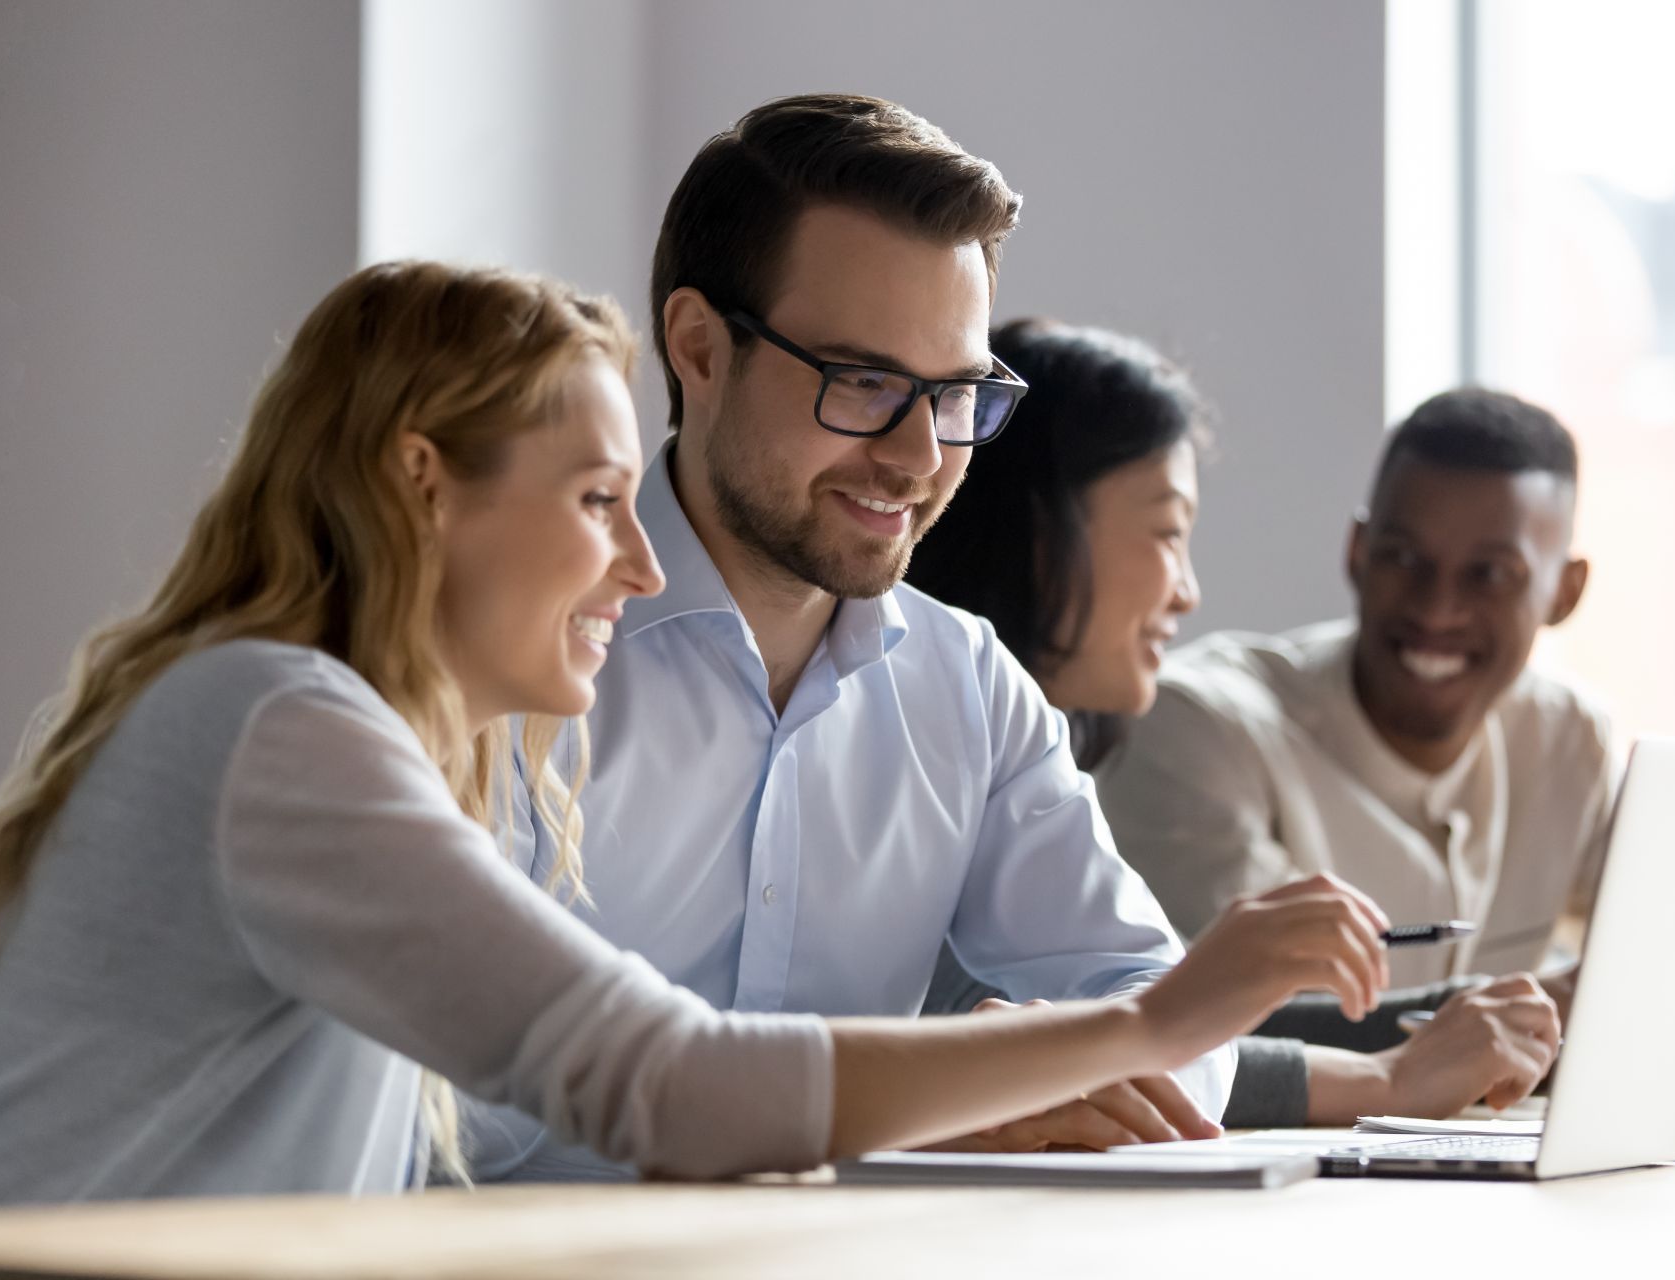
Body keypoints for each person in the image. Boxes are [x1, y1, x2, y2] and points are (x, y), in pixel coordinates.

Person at [0, 262, 1390, 1208]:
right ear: (421, 487)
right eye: (593, 502)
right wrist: (1155, 1021)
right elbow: (668, 1085)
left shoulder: (353, 735)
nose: (642, 566)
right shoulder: (277, 724)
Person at [478, 93, 1347, 1179]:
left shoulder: (968, 684)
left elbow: (1164, 1013)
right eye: (866, 382)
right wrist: (912, 1100)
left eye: (955, 395)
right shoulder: (503, 656)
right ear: (699, 348)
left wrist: (1020, 1072)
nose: (919, 456)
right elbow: (449, 1107)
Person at [908, 320, 1561, 1130]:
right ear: (1044, 534)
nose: (1187, 592)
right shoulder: (917, 736)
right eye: (1169, 533)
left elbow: (1146, 1025)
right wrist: (1388, 1081)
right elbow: (1082, 1040)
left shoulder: (1034, 751)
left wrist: (1467, 1030)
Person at [1094, 386, 1675, 1084]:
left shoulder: (1564, 736)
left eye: (1490, 575)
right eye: (1403, 559)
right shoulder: (1198, 729)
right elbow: (1241, 1030)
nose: (1437, 608)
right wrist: (1612, 1034)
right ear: (1357, 554)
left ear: (1565, 591)